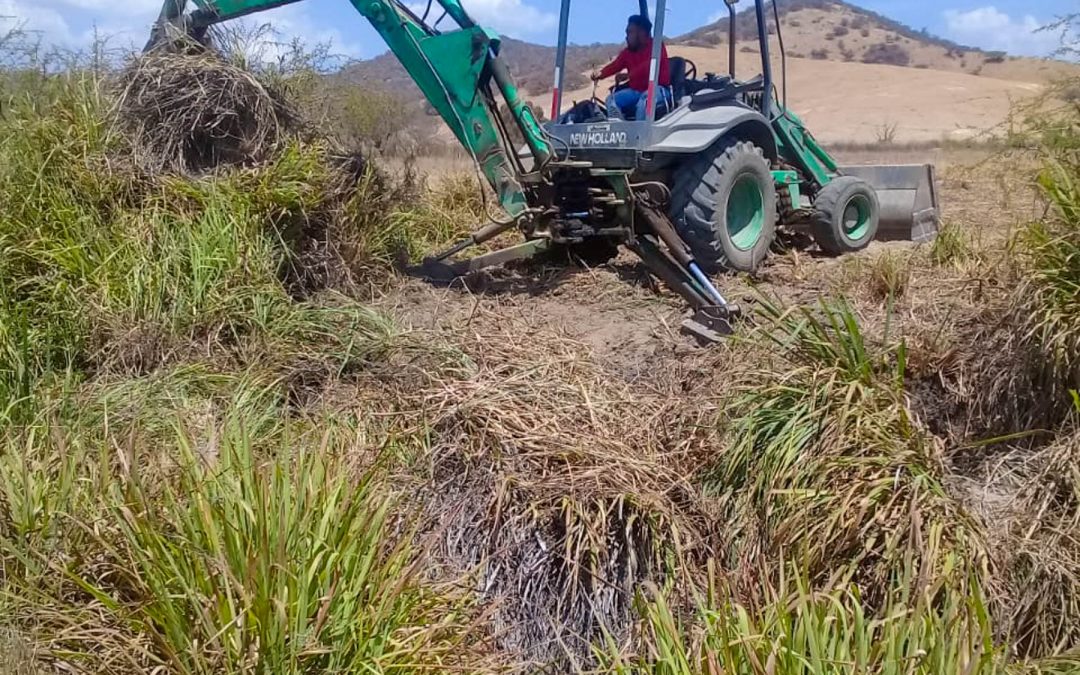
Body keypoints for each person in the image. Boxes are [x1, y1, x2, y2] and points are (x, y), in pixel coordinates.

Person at [590, 14, 672, 121]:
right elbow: (615, 65)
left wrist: (629, 75)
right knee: (612, 100)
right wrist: (601, 73)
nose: (626, 36)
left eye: (630, 32)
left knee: (646, 99)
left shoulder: (656, 46)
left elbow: (649, 66)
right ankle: (619, 128)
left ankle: (640, 133)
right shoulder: (628, 52)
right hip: (637, 91)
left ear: (642, 32)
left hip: (659, 89)